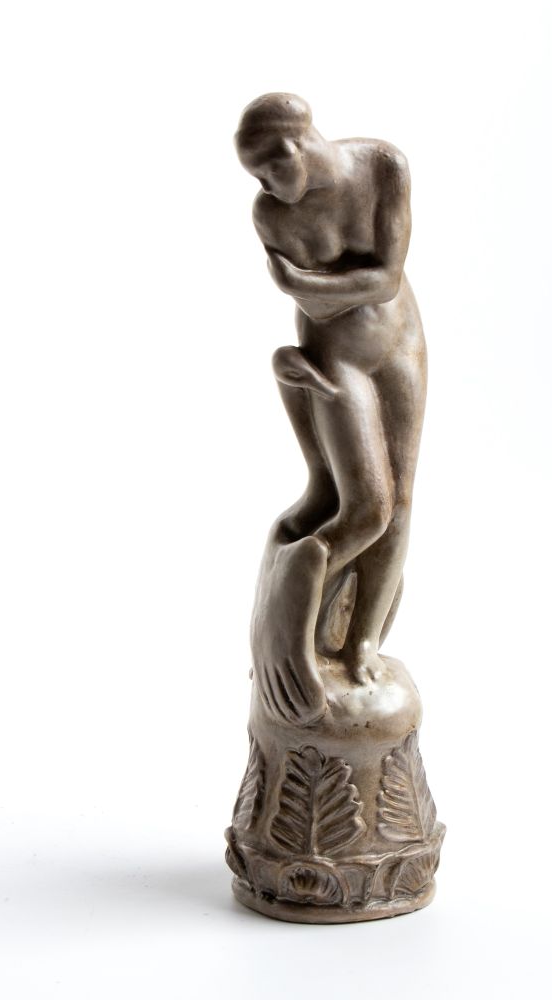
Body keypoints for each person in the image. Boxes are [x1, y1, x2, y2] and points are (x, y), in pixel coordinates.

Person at [235, 94, 427, 726]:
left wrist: (301, 283)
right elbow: (332, 305)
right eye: (256, 175)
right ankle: (297, 582)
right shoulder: (271, 214)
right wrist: (326, 292)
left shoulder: (383, 167)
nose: (266, 186)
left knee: (400, 503)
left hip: (400, 346)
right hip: (336, 358)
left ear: (298, 144)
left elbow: (387, 279)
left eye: (269, 168)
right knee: (362, 506)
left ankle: (360, 643)